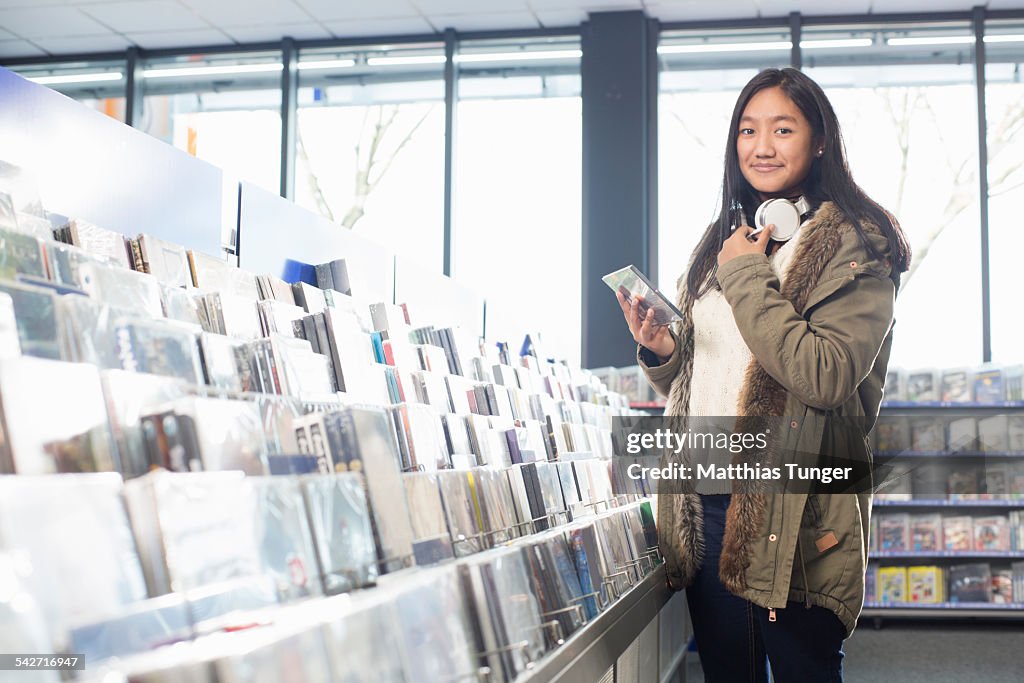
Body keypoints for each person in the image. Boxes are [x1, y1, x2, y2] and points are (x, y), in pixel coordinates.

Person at [616, 67, 911, 682]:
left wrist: (748, 278)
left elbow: (824, 376)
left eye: (783, 128)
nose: (762, 146)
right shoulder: (727, 241)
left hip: (797, 509)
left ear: (820, 139)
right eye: (748, 130)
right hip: (708, 503)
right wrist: (665, 352)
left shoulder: (855, 247)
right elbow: (718, 383)